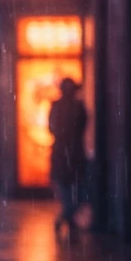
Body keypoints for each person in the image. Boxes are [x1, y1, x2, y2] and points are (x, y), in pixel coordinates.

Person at [48, 78, 87, 238]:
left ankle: (65, 217)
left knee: (69, 190)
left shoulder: (61, 106)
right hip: (71, 153)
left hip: (66, 152)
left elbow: (52, 127)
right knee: (72, 190)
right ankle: (67, 218)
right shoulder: (77, 107)